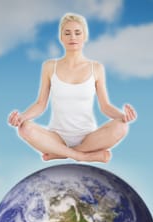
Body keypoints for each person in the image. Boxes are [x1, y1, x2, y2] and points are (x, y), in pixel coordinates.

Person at [8, 13, 137, 163]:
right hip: (56, 138)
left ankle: (62, 154)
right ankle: (81, 156)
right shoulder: (50, 66)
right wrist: (22, 117)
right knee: (25, 128)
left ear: (85, 37)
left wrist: (123, 116)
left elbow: (105, 106)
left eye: (77, 33)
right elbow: (40, 104)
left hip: (88, 138)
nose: (72, 37)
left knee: (122, 127)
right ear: (61, 38)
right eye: (67, 33)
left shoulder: (96, 68)